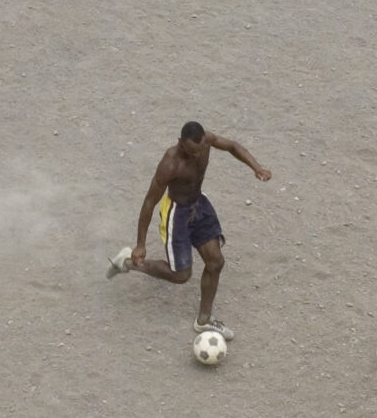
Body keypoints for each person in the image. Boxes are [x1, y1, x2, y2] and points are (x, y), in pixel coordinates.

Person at [106, 122, 273, 337]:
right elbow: (149, 202)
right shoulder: (170, 164)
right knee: (181, 275)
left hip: (199, 205)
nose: (197, 155)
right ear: (181, 144)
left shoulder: (207, 141)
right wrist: (140, 244)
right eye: (192, 152)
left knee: (216, 262)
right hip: (177, 213)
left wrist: (256, 167)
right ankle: (127, 263)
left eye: (201, 149)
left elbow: (232, 146)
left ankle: (204, 320)